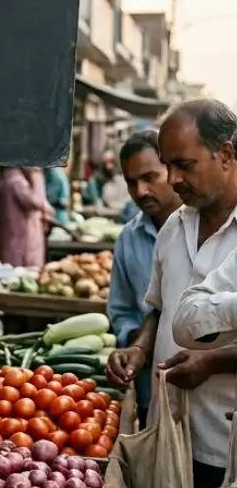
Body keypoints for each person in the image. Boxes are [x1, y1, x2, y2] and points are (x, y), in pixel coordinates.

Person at [104, 99, 237, 488]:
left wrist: (215, 363)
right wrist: (137, 351)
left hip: (227, 450)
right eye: (170, 165)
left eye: (185, 165)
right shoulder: (172, 229)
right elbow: (156, 311)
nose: (174, 179)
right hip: (171, 441)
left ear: (225, 154)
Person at [104, 130, 183, 424]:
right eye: (131, 182)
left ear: (172, 171)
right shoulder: (128, 237)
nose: (140, 191)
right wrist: (133, 347)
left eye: (150, 177)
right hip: (150, 390)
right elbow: (121, 308)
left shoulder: (202, 229)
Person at [0, 167, 53, 267]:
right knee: (18, 276)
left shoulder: (15, 178)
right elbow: (35, 201)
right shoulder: (15, 179)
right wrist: (37, 175)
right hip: (16, 242)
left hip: (17, 240)